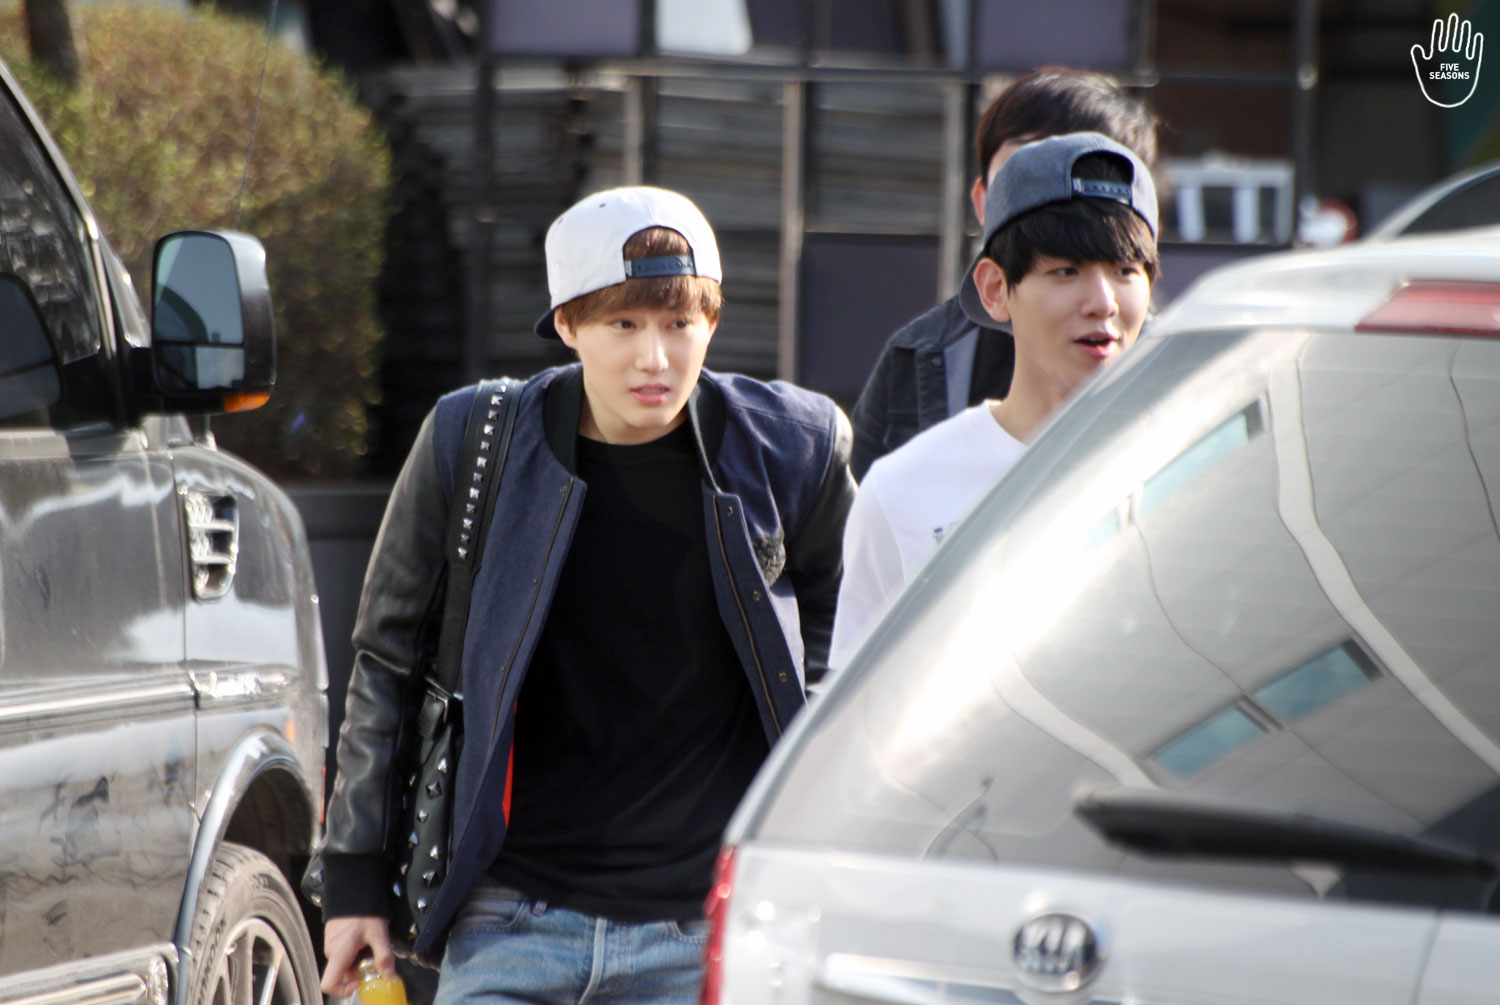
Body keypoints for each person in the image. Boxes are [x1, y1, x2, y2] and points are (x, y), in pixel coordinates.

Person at [318, 186, 856, 1004]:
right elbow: (388, 662)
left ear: (712, 321)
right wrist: (355, 880)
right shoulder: (473, 441)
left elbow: (850, 648)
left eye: (679, 323)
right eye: (623, 325)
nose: (655, 358)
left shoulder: (793, 448)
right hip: (509, 922)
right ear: (567, 324)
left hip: (702, 932)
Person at [830, 132, 1159, 666]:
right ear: (995, 289)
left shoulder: (1203, 459)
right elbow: (859, 700)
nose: (1103, 302)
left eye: (1125, 271)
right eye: (1066, 271)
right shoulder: (902, 492)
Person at [848, 68, 1159, 480]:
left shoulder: (1188, 369)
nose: (1102, 302)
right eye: (1027, 166)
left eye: (1122, 269)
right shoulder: (920, 355)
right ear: (984, 201)